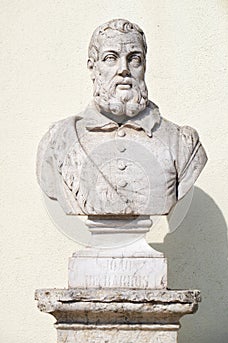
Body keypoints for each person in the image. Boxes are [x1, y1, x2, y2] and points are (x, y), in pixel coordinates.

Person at [37, 19, 207, 215]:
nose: (124, 69)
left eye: (134, 58)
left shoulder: (181, 142)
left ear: (144, 65)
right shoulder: (60, 140)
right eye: (111, 58)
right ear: (93, 68)